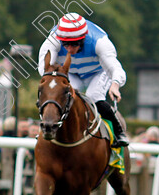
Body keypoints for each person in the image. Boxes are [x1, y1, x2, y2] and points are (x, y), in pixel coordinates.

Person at [36, 13, 130, 146]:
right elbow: (44, 69)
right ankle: (49, 128)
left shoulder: (100, 42)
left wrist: (115, 85)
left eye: (74, 44)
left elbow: (116, 68)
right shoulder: (53, 40)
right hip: (71, 73)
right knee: (62, 95)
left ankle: (118, 132)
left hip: (97, 72)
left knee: (94, 96)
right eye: (65, 44)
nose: (69, 49)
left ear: (83, 39)